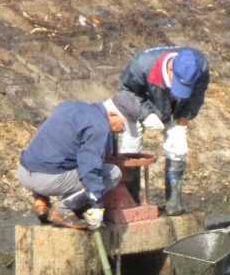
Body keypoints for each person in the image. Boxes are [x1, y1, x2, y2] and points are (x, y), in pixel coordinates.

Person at [16, 91, 142, 230]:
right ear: (112, 114)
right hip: (46, 180)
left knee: (57, 156)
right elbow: (90, 168)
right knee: (113, 173)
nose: (122, 130)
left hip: (24, 172)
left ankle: (41, 202)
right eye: (123, 125)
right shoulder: (98, 127)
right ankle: (63, 209)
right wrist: (97, 205)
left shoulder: (70, 106)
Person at [118, 46, 209, 215]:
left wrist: (184, 119)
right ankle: (131, 200)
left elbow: (196, 97)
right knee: (130, 146)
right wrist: (146, 114)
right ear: (170, 68)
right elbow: (126, 93)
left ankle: (173, 202)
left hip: (176, 108)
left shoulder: (200, 66)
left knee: (178, 147)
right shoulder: (142, 65)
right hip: (143, 103)